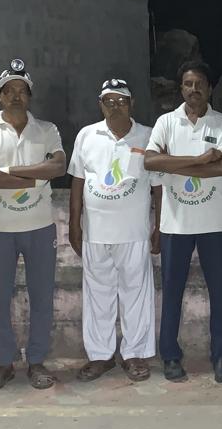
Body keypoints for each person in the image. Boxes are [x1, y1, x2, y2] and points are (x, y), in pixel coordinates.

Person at [0, 59, 67, 392]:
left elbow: (58, 168)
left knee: (42, 296)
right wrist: (33, 176)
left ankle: (36, 361)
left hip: (39, 226)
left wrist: (7, 173)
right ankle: (4, 363)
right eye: (8, 90)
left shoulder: (47, 130)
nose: (15, 96)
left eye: (21, 90)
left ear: (30, 96)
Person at [143, 60, 222, 383]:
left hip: (214, 224)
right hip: (175, 224)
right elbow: (150, 161)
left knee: (219, 293)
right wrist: (199, 160)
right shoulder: (166, 122)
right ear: (181, 88)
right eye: (188, 84)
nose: (193, 89)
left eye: (199, 84)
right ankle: (170, 356)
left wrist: (172, 163)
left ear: (209, 88)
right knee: (172, 292)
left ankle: (221, 356)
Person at [68, 78, 161, 382]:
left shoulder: (148, 136)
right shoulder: (87, 135)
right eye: (109, 101)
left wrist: (159, 226)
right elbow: (78, 182)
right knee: (98, 295)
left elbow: (158, 185)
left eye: (121, 101)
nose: (115, 107)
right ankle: (100, 356)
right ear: (100, 105)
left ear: (132, 104)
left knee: (136, 295)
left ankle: (134, 354)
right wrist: (74, 224)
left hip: (134, 231)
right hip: (95, 231)